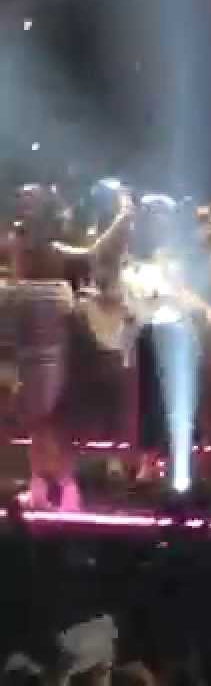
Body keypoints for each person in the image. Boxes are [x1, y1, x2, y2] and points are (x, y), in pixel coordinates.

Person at [6, 185, 134, 510]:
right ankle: (43, 488)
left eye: (30, 201)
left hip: (51, 339)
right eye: (23, 201)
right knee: (41, 420)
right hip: (31, 336)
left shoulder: (49, 251)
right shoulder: (19, 242)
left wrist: (123, 218)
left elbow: (94, 255)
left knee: (51, 418)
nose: (24, 207)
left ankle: (65, 488)